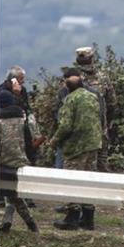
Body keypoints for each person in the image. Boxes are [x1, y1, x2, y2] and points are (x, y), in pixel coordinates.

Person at [49, 68, 102, 231]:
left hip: (76, 147)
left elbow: (65, 126)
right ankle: (88, 219)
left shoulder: (70, 100)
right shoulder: (93, 97)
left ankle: (71, 218)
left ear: (66, 85)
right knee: (88, 182)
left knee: (71, 181)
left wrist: (54, 140)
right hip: (93, 145)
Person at [0, 103, 40, 233]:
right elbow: (32, 142)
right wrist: (32, 159)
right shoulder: (24, 121)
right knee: (12, 194)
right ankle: (28, 223)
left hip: (4, 163)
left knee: (11, 193)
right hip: (22, 162)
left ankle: (24, 222)